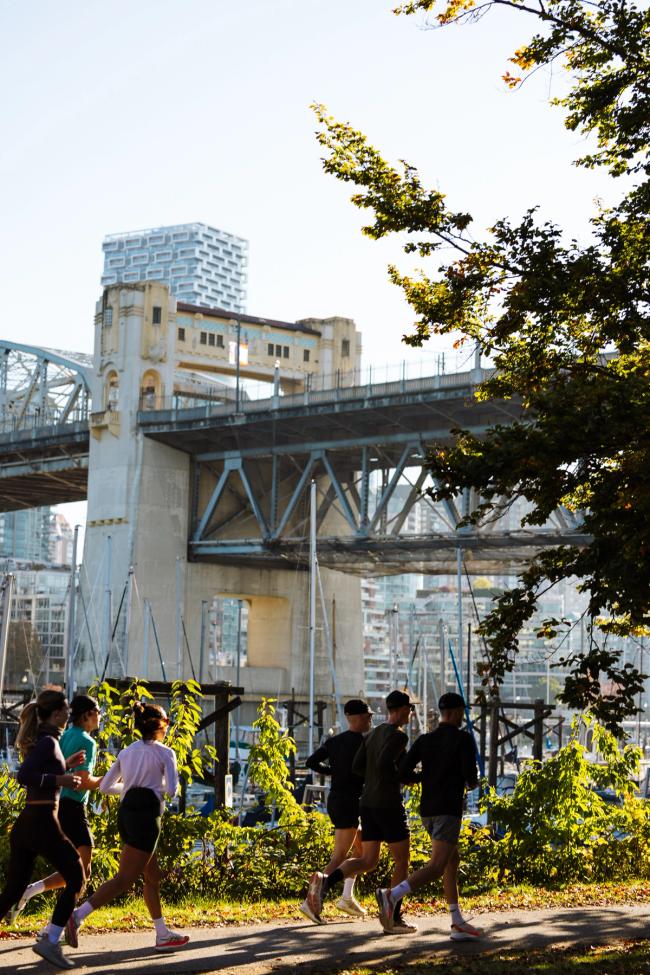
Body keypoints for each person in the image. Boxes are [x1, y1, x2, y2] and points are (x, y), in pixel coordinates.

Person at [65, 701, 189, 953]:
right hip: (147, 818)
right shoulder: (166, 753)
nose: (168, 726)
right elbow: (172, 790)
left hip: (127, 816)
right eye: (166, 722)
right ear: (159, 725)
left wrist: (131, 786)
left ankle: (162, 934)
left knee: (152, 877)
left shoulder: (127, 752)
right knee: (124, 879)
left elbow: (105, 787)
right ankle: (76, 916)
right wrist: (153, 786)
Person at [306, 689, 417, 934]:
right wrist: (405, 778)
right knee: (402, 861)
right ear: (401, 710)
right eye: (410, 709)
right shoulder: (398, 736)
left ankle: (325, 883)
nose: (411, 713)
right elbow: (386, 764)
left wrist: (372, 778)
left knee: (368, 860)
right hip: (388, 804)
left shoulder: (373, 734)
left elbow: (358, 766)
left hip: (366, 804)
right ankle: (394, 917)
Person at [376, 691, 482, 940]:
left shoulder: (425, 740)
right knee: (436, 867)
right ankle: (392, 895)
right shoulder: (463, 739)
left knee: (451, 861)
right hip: (448, 809)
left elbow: (402, 772)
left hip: (427, 810)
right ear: (456, 712)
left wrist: (425, 777)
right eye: (461, 712)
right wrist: (471, 782)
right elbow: (470, 777)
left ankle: (457, 921)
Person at [0, 688, 86, 970]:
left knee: (13, 890)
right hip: (42, 820)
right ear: (57, 713)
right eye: (66, 710)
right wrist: (61, 779)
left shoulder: (48, 741)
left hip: (29, 821)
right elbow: (24, 774)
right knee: (77, 875)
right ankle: (50, 940)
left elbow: (41, 772)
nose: (69, 714)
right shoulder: (48, 741)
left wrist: (65, 767)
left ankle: (51, 939)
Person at [10, 695, 102, 926]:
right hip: (61, 811)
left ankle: (44, 912)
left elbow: (50, 768)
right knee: (80, 874)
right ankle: (56, 928)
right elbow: (82, 781)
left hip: (50, 809)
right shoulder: (70, 741)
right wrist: (113, 779)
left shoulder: (60, 737)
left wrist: (66, 767)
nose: (100, 715)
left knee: (76, 871)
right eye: (98, 711)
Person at [300, 698, 373, 923]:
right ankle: (311, 902)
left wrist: (333, 771)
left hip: (337, 799)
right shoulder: (364, 743)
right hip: (349, 802)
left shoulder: (334, 742)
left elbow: (311, 762)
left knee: (361, 850)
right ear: (357, 718)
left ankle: (346, 897)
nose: (371, 719)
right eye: (368, 716)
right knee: (340, 856)